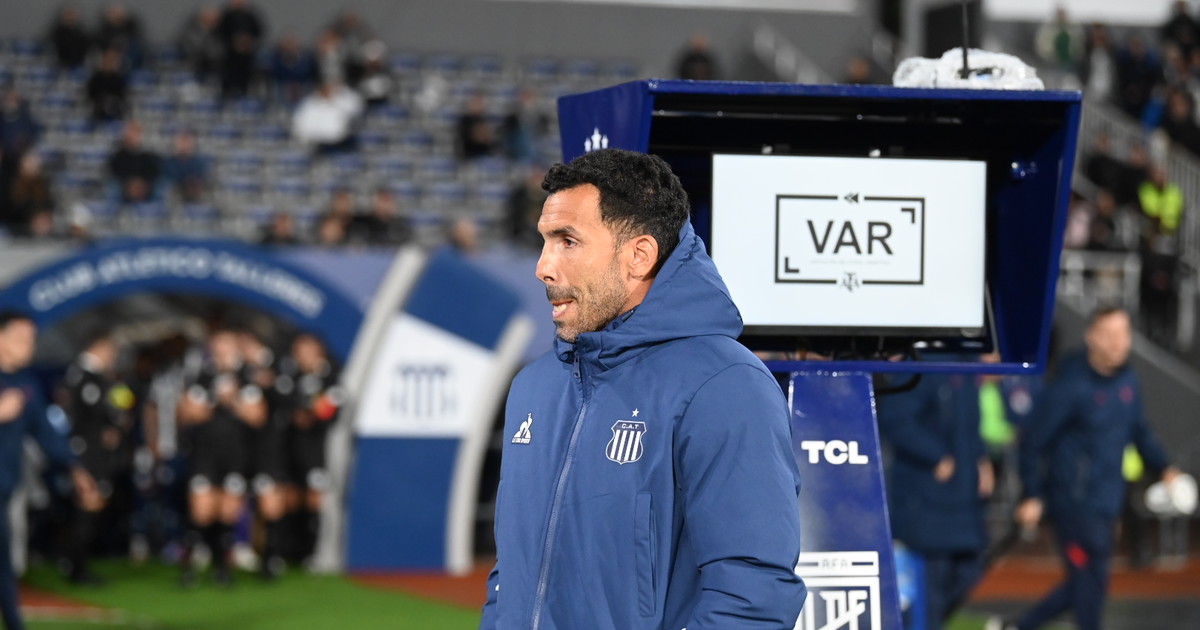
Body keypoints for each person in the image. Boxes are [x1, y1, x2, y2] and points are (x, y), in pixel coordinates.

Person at [480, 149, 806, 629]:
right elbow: (511, 573)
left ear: (639, 255)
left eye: (567, 241)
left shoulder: (725, 384)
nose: (543, 267)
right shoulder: (535, 385)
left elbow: (752, 594)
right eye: (544, 241)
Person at [995, 306, 1181, 630]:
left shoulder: (1128, 382)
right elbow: (1032, 441)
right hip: (1073, 504)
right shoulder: (1070, 385)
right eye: (1108, 334)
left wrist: (1165, 468)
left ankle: (1017, 627)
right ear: (1091, 336)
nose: (1116, 342)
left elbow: (1140, 430)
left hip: (1108, 502)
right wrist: (1032, 494)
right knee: (1088, 581)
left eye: (1122, 334)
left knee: (1090, 581)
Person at [1, 311, 98, 630]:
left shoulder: (25, 386)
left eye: (31, 339)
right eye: (21, 338)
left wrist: (76, 470)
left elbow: (48, 435)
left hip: (5, 491)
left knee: (4, 562)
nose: (29, 346)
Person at [877, 371, 991, 629]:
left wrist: (981, 458)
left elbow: (971, 427)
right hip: (925, 501)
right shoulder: (919, 370)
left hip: (963, 499)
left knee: (968, 571)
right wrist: (936, 455)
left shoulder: (966, 371)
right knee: (928, 591)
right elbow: (897, 419)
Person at [176, 329, 267, 586]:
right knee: (201, 511)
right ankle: (190, 568)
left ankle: (222, 568)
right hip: (205, 454)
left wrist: (233, 400)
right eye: (219, 346)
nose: (223, 351)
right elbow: (188, 413)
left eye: (228, 345)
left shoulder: (246, 378)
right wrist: (216, 401)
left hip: (236, 455)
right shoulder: (201, 376)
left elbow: (258, 416)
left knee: (228, 512)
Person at [60, 333, 136, 585]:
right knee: (89, 502)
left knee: (93, 504)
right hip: (88, 452)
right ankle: (76, 567)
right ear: (98, 346)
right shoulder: (85, 375)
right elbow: (90, 411)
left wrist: (116, 423)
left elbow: (119, 406)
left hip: (94, 451)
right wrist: (111, 423)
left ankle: (74, 562)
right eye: (110, 350)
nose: (113, 356)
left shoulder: (99, 377)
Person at [275, 333, 342, 565]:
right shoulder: (290, 376)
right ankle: (288, 551)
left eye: (308, 351)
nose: (303, 356)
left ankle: (312, 553)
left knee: (314, 498)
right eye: (300, 351)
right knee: (289, 498)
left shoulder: (330, 376)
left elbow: (330, 411)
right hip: (289, 447)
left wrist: (311, 411)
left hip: (316, 449)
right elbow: (281, 405)